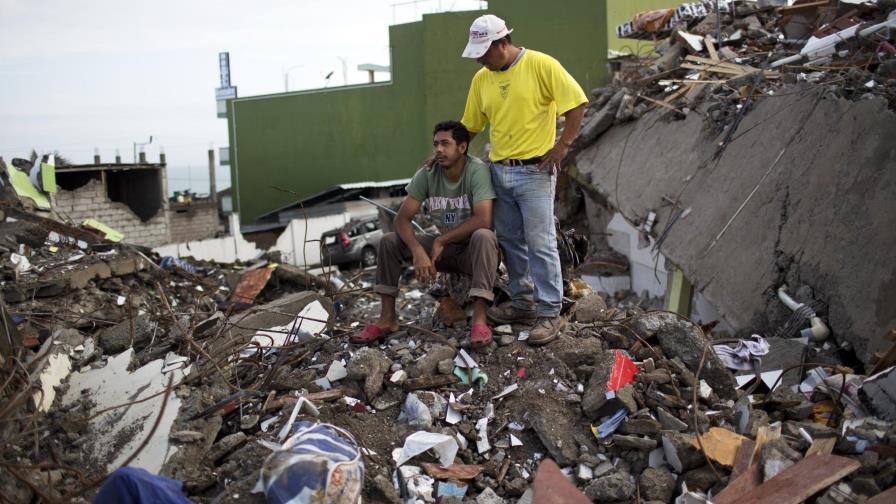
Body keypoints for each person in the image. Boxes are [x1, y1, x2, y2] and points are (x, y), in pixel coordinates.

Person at [460, 14, 588, 346]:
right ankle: (524, 302)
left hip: (535, 171)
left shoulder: (542, 65)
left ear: (502, 43)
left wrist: (563, 146)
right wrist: (451, 150)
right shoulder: (481, 80)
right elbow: (471, 126)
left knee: (540, 241)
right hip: (499, 170)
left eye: (484, 53)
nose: (480, 60)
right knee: (510, 240)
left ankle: (549, 312)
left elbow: (577, 105)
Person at [351, 120, 499, 348]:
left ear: (462, 147)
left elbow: (483, 219)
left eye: (445, 144)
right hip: (444, 252)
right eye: (436, 144)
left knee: (484, 235)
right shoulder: (428, 173)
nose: (438, 149)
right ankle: (387, 319)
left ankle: (479, 320)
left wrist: (441, 239)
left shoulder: (476, 170)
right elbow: (401, 219)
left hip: (473, 252)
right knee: (389, 241)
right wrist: (417, 250)